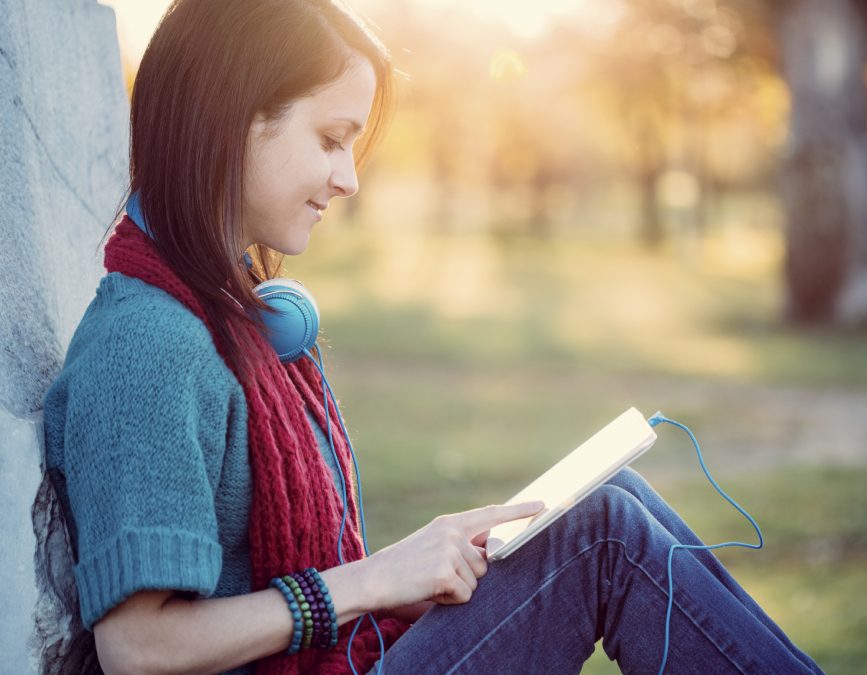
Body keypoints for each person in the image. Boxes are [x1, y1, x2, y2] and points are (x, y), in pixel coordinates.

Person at [42, 0, 824, 673]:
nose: (349, 177)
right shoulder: (145, 347)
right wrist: (374, 579)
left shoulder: (230, 318)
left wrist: (426, 558)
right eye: (330, 137)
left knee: (604, 497)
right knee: (601, 536)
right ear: (229, 119)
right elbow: (138, 647)